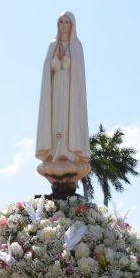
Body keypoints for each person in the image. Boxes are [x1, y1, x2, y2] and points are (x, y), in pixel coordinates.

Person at [35, 11, 91, 164]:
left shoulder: (76, 45)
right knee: (56, 115)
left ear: (72, 25)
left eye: (67, 22)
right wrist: (54, 63)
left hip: (70, 87)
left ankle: (68, 149)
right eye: (61, 22)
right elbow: (47, 66)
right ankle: (55, 150)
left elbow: (79, 69)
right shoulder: (53, 44)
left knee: (68, 115)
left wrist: (67, 61)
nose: (64, 25)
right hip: (55, 86)